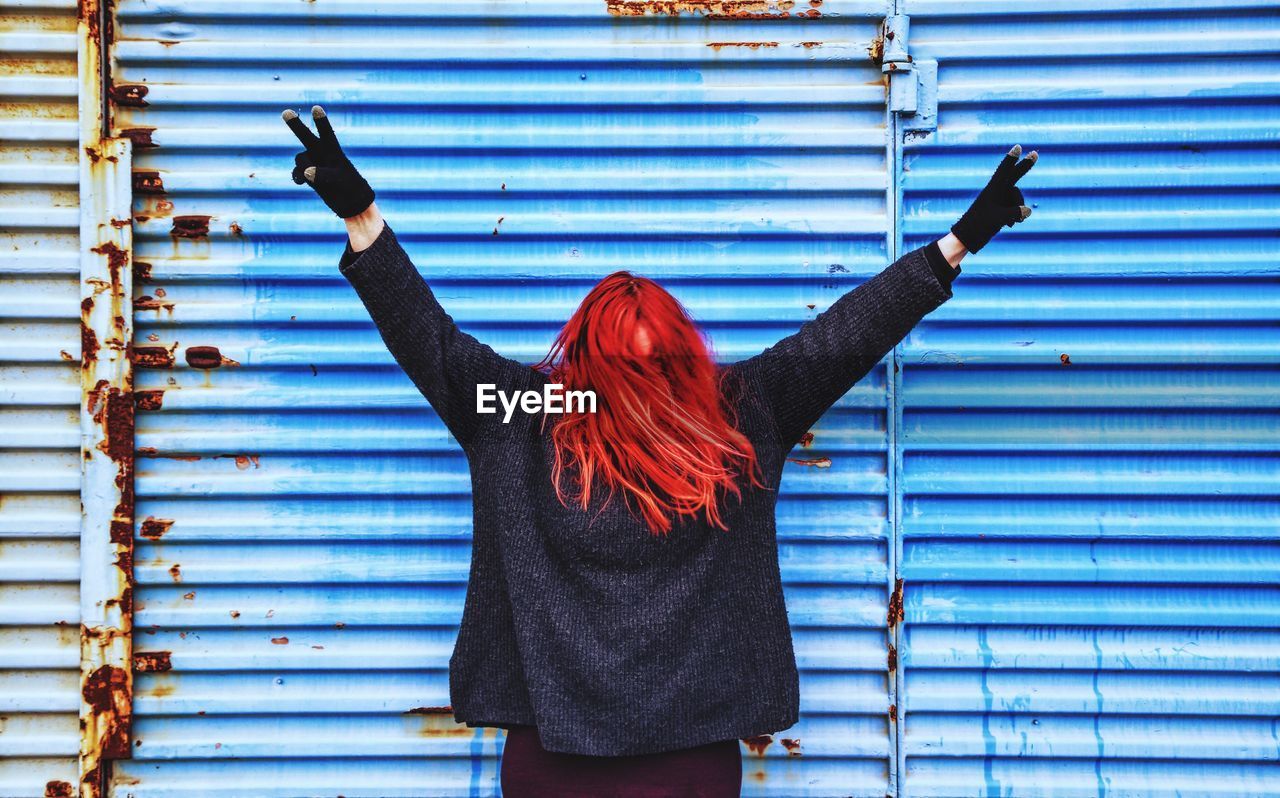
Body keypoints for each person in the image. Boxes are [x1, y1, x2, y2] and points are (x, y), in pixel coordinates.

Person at [282, 104, 1036, 797]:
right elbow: (430, 340)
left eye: (655, 369)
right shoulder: (556, 411)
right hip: (612, 757)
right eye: (623, 371)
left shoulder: (563, 410)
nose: (639, 389)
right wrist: (361, 216)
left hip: (640, 758)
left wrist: (958, 242)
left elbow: (847, 334)